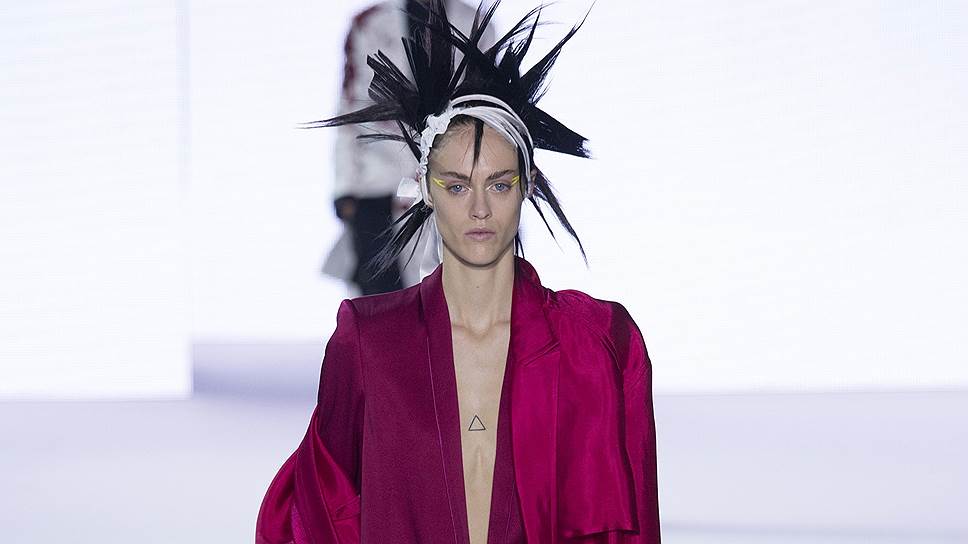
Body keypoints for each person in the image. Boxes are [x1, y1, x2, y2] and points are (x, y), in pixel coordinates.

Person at [258, 1, 661, 542]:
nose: (480, 207)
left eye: (500, 185)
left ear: (526, 186)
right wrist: (349, 192)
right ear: (432, 187)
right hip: (378, 192)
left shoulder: (600, 341)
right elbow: (318, 504)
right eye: (459, 187)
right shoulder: (364, 336)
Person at [325, 0, 495, 294]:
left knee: (460, 300)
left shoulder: (474, 22)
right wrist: (346, 189)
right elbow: (350, 107)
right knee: (381, 310)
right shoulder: (369, 24)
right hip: (378, 190)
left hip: (456, 188)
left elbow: (491, 109)